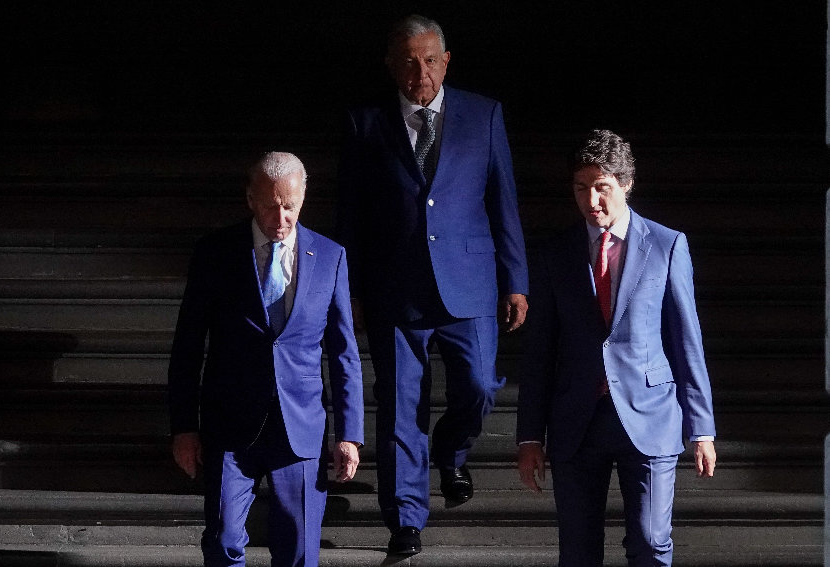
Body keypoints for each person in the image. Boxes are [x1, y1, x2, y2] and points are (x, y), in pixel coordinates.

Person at [336, 13, 529, 556]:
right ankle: (405, 520)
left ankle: (450, 452)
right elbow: (349, 216)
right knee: (400, 404)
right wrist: (345, 289)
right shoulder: (365, 123)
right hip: (394, 287)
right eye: (407, 60)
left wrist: (516, 279)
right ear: (391, 66)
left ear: (445, 62)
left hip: (468, 282)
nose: (418, 70)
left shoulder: (483, 115)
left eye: (428, 59)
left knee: (481, 386)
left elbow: (503, 202)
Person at [516, 129, 717, 566]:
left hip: (650, 415)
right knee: (578, 551)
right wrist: (530, 436)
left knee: (649, 543)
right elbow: (539, 351)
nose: (592, 201)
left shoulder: (666, 245)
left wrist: (701, 428)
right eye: (581, 188)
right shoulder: (555, 254)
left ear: (625, 184)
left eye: (602, 187)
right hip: (576, 420)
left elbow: (687, 340)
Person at [168, 152, 364, 567]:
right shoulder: (216, 253)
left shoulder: (330, 257)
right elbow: (187, 345)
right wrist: (184, 426)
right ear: (250, 199)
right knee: (222, 542)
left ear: (304, 197)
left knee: (297, 551)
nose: (280, 218)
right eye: (270, 205)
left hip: (300, 428)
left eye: (289, 206)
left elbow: (344, 352)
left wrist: (350, 434)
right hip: (230, 426)